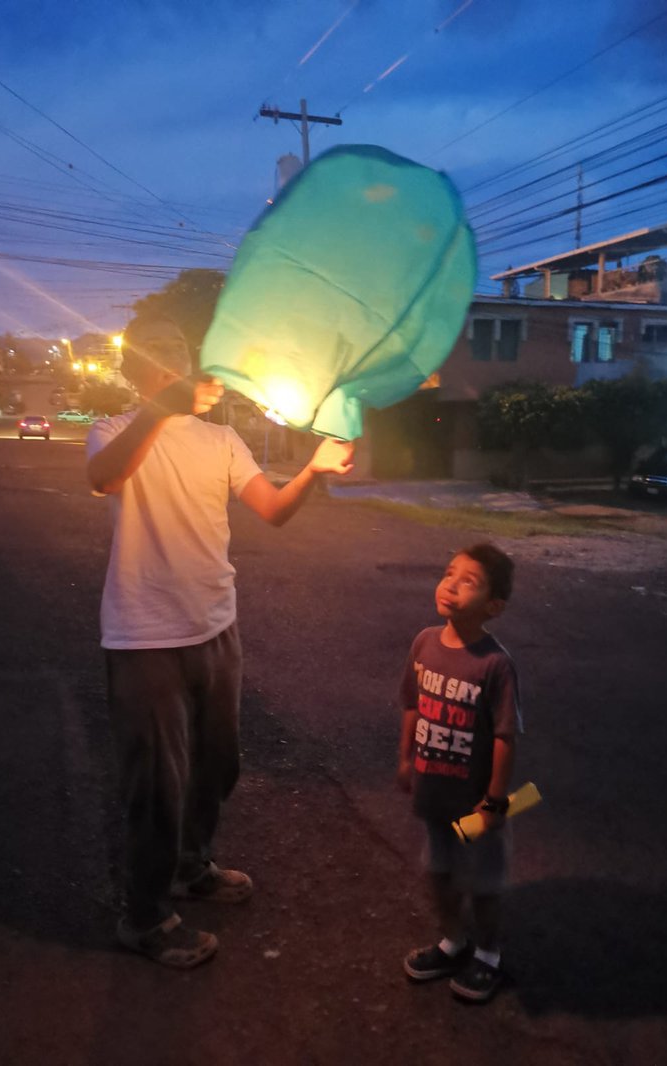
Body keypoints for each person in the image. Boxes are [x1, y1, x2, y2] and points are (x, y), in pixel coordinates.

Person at [87, 313, 354, 969]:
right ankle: (144, 916)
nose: (176, 360)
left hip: (216, 626)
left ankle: (189, 866)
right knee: (156, 784)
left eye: (180, 349)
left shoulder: (224, 438)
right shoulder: (115, 431)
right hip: (145, 637)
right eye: (160, 354)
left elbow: (273, 509)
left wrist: (315, 469)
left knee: (217, 764)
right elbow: (104, 479)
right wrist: (159, 412)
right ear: (137, 371)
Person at [397, 542, 522, 1003]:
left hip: (476, 805)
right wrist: (406, 758)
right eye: (449, 573)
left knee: (484, 883)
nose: (451, 584)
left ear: (494, 606)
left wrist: (494, 799)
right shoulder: (425, 643)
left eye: (468, 581)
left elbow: (506, 737)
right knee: (439, 873)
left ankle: (488, 955)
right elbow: (412, 704)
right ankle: (453, 942)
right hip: (435, 795)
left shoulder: (495, 665)